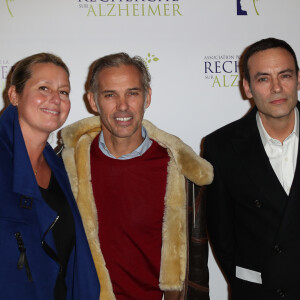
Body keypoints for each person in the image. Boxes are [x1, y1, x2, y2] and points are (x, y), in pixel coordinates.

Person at [61, 52, 213, 300]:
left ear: (147, 97)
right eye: (110, 95)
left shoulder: (177, 168)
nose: (123, 106)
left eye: (132, 93)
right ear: (92, 100)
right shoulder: (68, 167)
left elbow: (192, 263)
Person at [204, 37, 300, 299]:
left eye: (285, 75)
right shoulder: (220, 147)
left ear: (298, 79)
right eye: (263, 79)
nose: (277, 88)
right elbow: (222, 236)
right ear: (247, 87)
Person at [0, 53, 100, 299]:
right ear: (14, 95)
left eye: (64, 92)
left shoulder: (59, 166)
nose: (55, 99)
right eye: (43, 88)